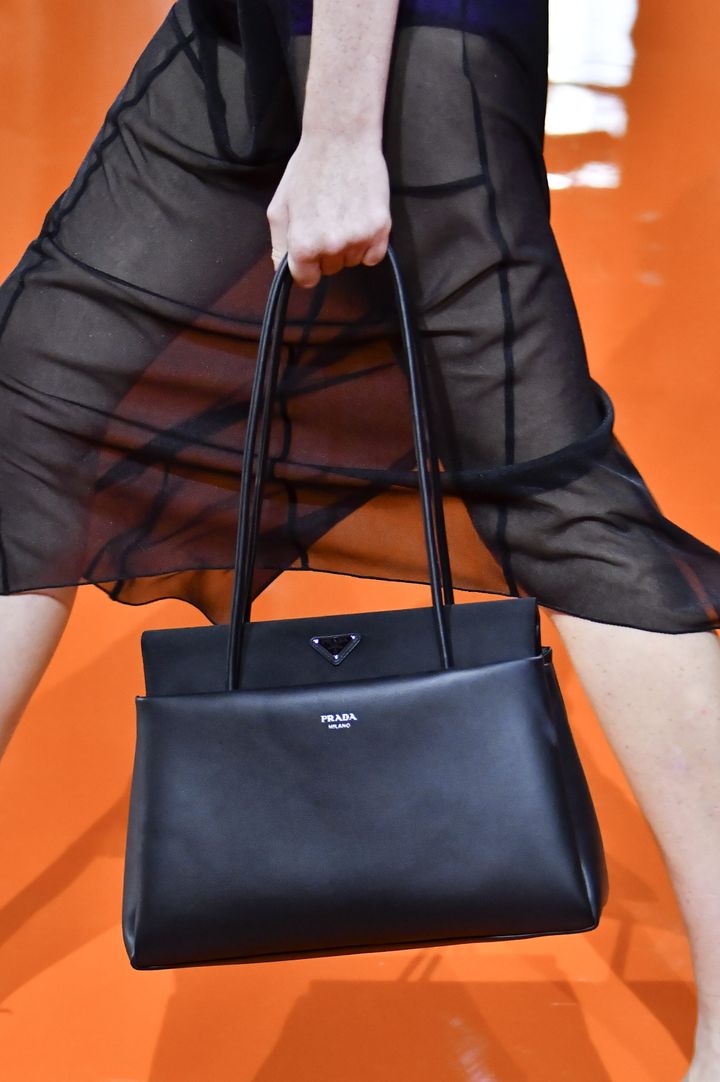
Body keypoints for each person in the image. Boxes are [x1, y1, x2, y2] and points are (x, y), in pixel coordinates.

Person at [0, 1, 718, 1076]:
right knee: (27, 422)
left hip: (394, 31)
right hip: (251, 23)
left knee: (546, 481)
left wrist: (340, 127)